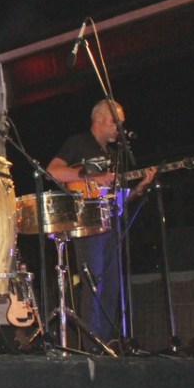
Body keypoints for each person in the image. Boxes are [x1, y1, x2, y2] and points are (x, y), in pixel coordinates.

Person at [47, 99, 154, 347]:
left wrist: (138, 189)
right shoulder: (78, 143)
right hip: (87, 224)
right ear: (98, 119)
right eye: (115, 122)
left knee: (112, 286)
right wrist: (94, 176)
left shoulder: (114, 155)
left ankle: (107, 344)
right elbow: (53, 171)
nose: (119, 128)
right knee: (93, 283)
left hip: (110, 225)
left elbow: (115, 198)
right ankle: (92, 347)